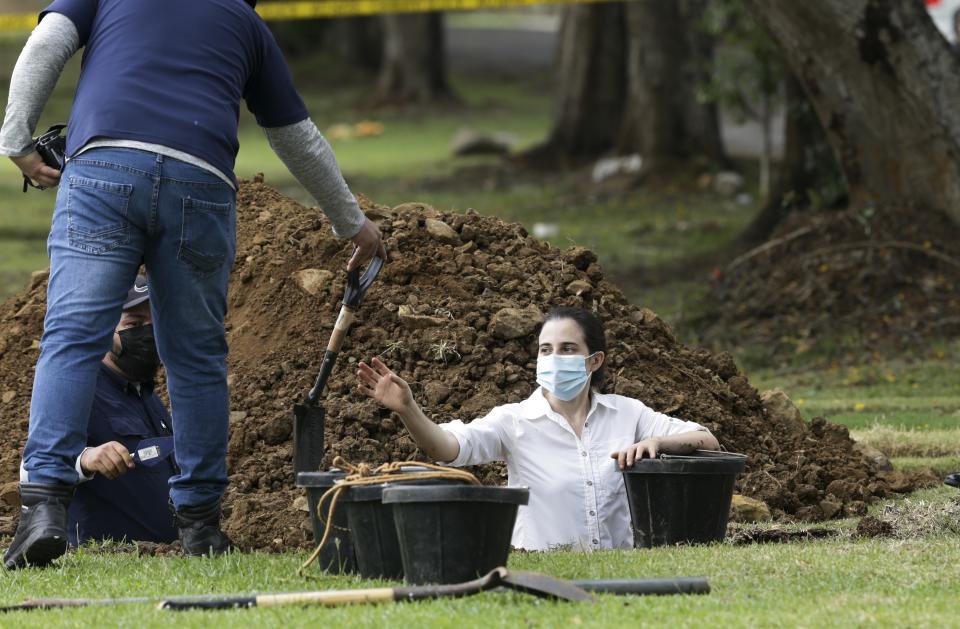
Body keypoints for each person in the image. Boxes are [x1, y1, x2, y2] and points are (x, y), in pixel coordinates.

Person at [1, 0, 386, 569]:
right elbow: (293, 134)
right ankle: (200, 526)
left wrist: (17, 139)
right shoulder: (244, 21)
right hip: (198, 182)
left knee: (73, 337)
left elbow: (47, 43)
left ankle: (44, 509)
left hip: (104, 170)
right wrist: (352, 223)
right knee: (196, 358)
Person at [357, 306, 721, 551]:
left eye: (567, 349)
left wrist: (657, 441)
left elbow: (708, 439)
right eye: (546, 350)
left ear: (594, 361)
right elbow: (447, 448)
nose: (554, 359)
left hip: (621, 573)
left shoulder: (628, 414)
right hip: (543, 571)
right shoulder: (513, 420)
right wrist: (408, 409)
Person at [68, 276, 177, 546]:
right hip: (107, 564)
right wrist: (85, 459)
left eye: (156, 323)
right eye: (134, 325)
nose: (148, 335)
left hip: (166, 563)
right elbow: (31, 468)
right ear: (103, 328)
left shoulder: (148, 396)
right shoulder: (78, 390)